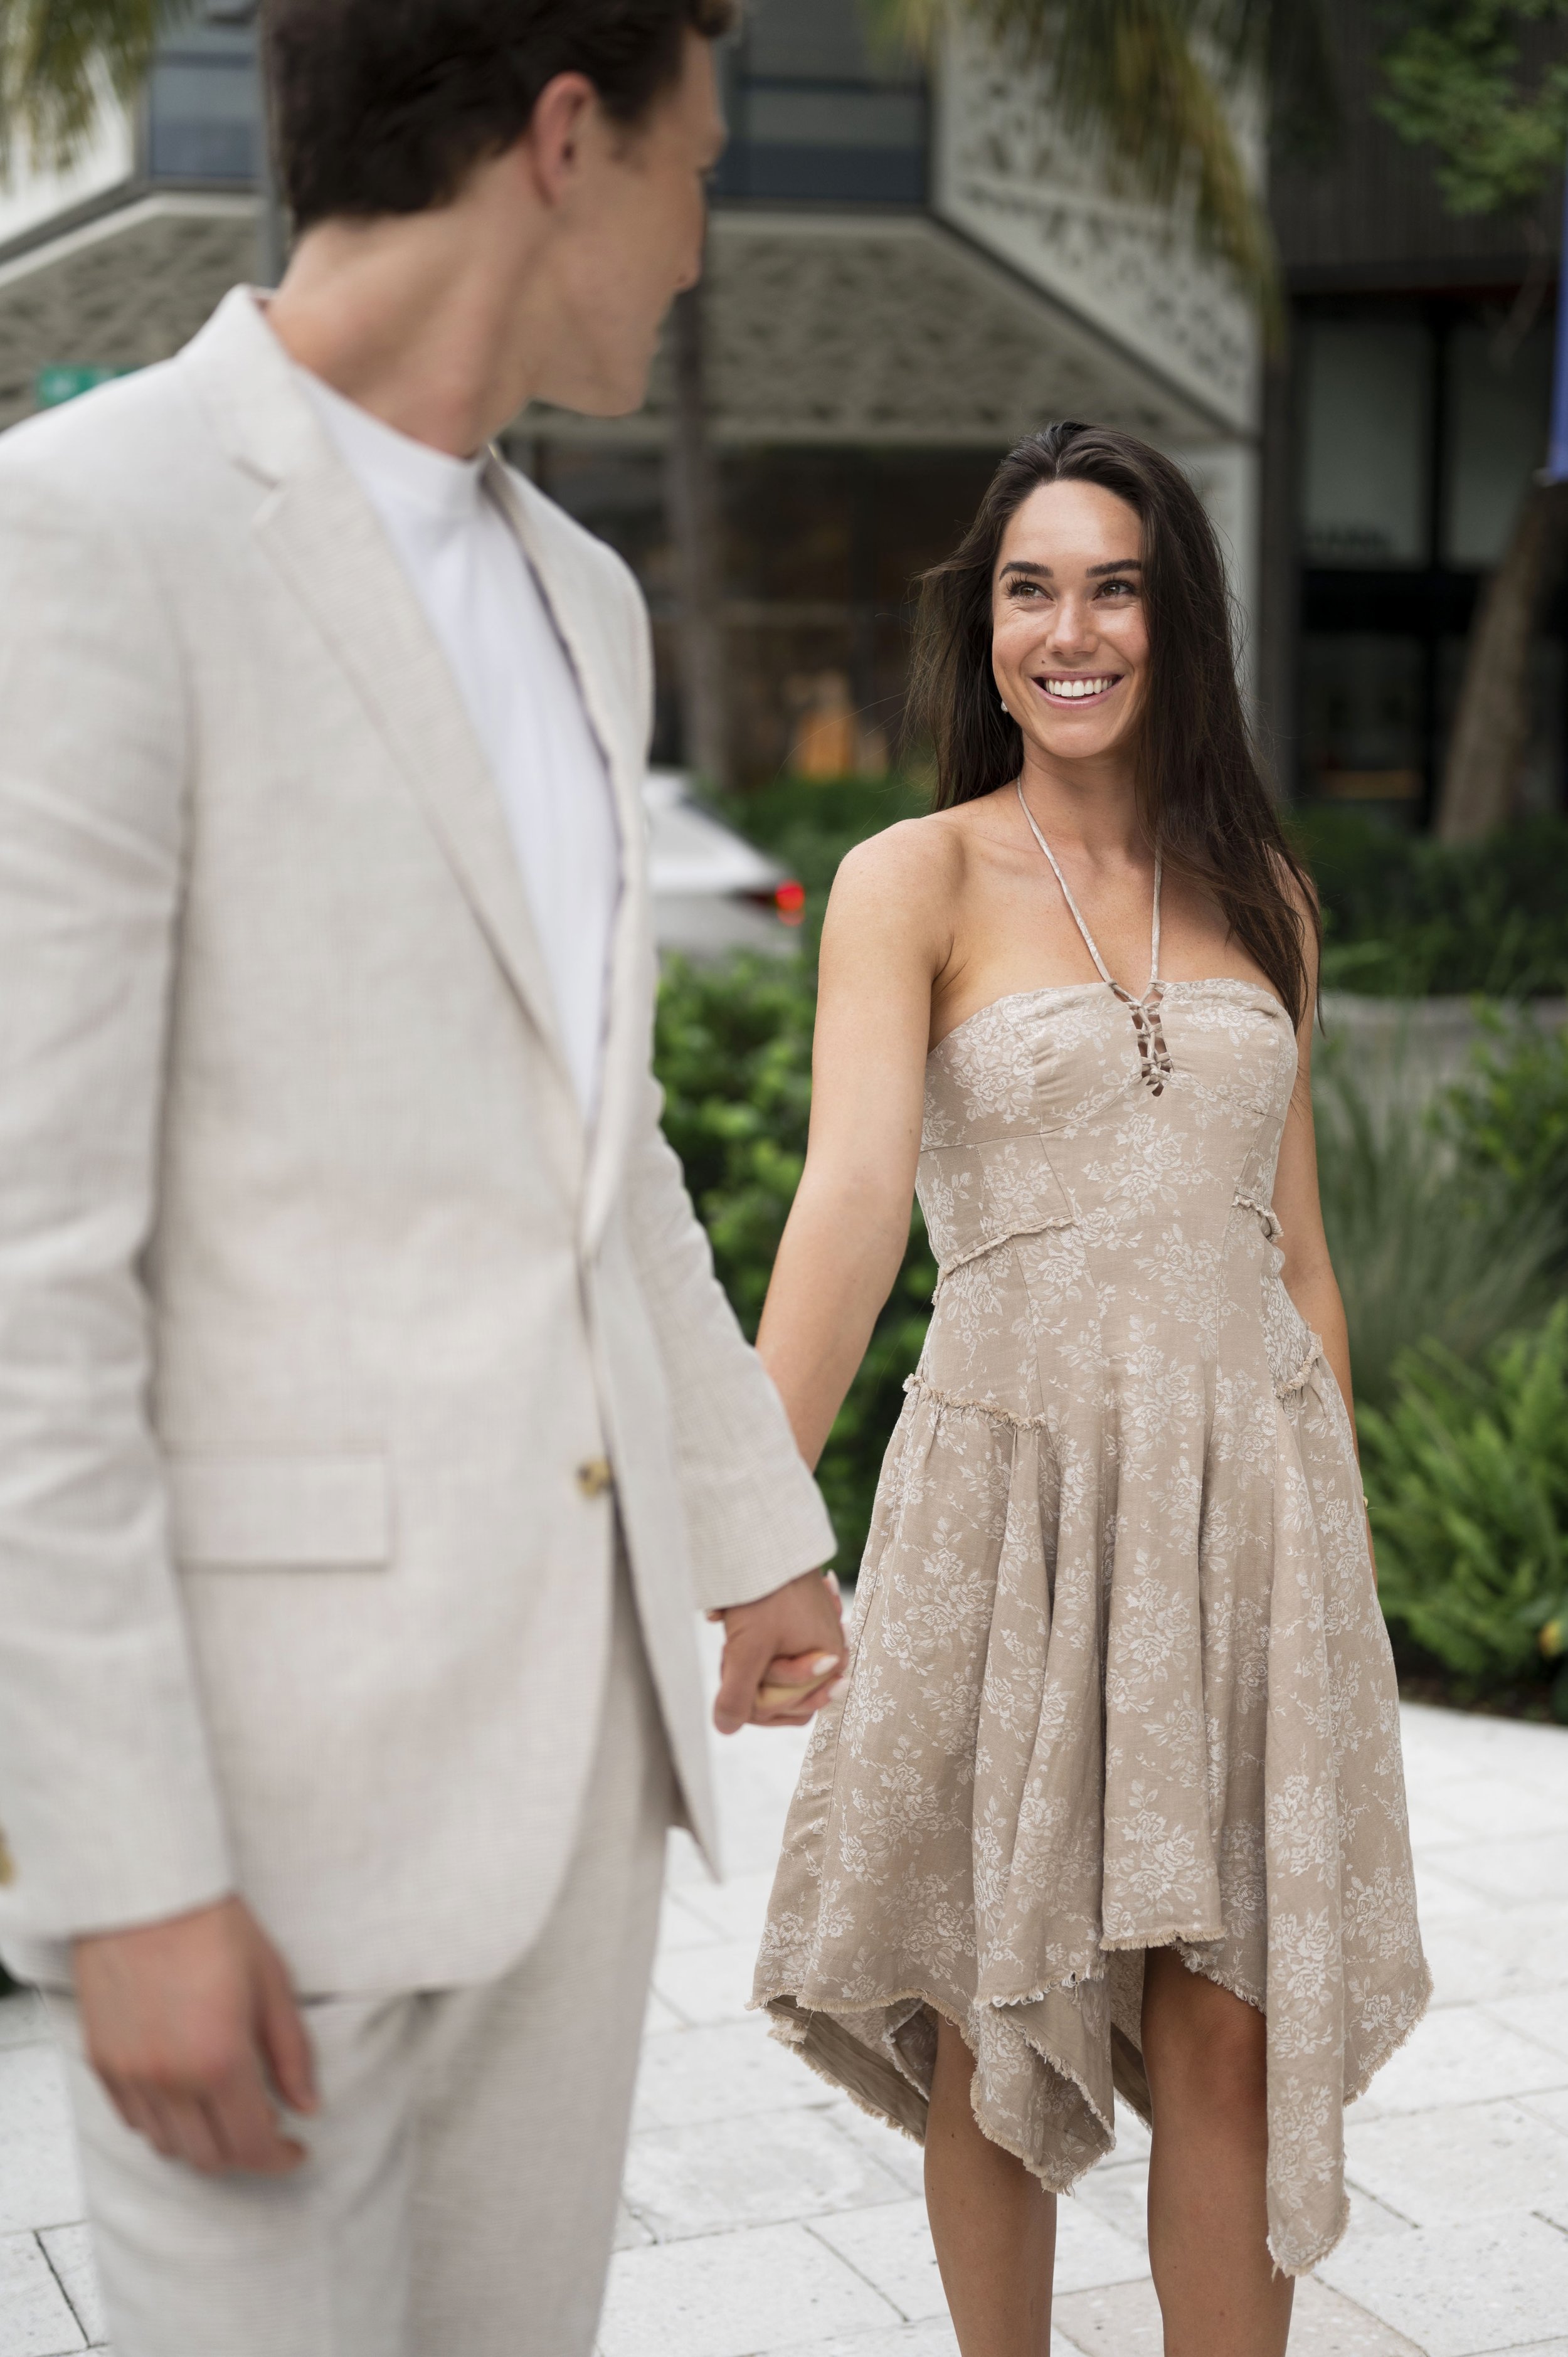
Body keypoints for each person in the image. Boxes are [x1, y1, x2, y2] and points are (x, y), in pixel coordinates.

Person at [0, 6, 849, 2354]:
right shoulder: (86, 530)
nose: (698, 253)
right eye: (691, 175)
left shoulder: (587, 598)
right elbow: (24, 1276)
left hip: (568, 1784)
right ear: (562, 142)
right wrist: (129, 1875)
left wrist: (752, 1511)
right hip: (253, 1820)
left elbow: (595, 1138)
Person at [752, 422, 1431, 2357]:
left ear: (1173, 619)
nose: (1070, 630)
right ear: (982, 630)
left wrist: (1340, 1577)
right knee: (999, 2011)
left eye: (1113, 585)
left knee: (1226, 2033)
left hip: (1249, 1507)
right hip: (1014, 1492)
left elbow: (1293, 1254)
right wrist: (741, 1514)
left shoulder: (1265, 894)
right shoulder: (912, 877)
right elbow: (853, 1199)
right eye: (1028, 589)